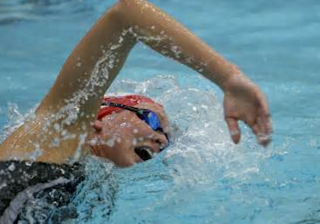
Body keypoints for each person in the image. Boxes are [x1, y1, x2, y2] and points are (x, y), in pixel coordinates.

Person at [0, 0, 272, 222]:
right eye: (152, 119)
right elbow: (127, 16)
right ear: (103, 114)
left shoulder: (92, 193)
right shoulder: (55, 131)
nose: (161, 140)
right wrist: (228, 78)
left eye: (166, 141)